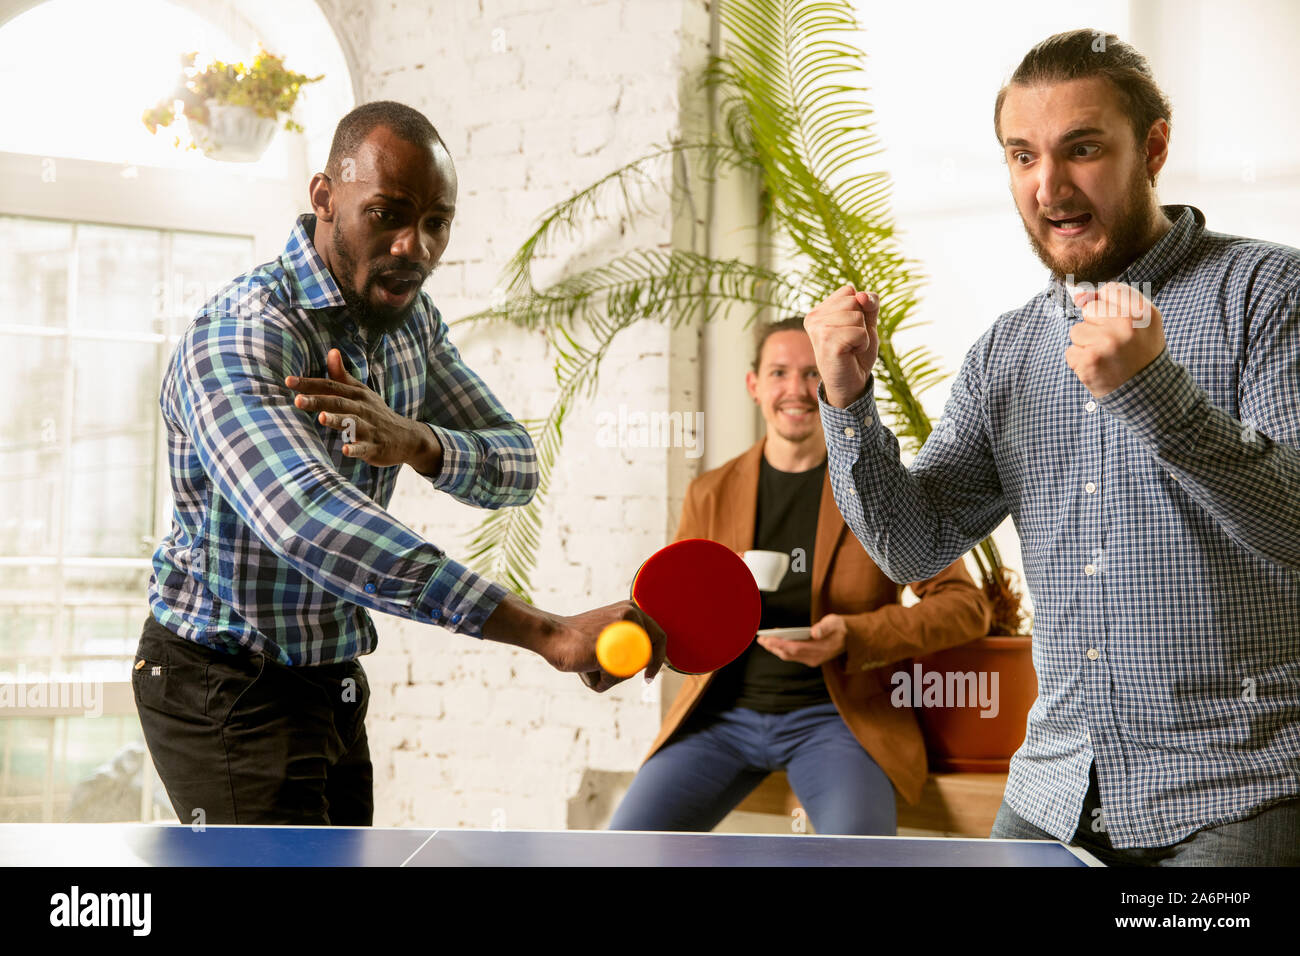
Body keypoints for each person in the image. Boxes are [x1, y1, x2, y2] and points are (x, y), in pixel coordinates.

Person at [804, 29, 1300, 865]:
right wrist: (848, 402)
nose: (1049, 186)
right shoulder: (1008, 353)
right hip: (1054, 791)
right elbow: (915, 543)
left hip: (1236, 791)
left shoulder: (1269, 293)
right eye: (1021, 156)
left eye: (1082, 149)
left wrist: (1154, 394)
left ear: (1154, 147)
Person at [135, 101, 664, 827]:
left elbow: (516, 466)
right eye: (387, 213)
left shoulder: (409, 323)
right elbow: (310, 524)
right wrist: (546, 632)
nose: (414, 246)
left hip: (330, 673)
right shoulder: (244, 335)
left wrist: (418, 441)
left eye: (436, 223)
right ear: (325, 197)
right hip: (222, 679)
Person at [608, 318, 990, 834]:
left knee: (859, 859)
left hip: (837, 720)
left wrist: (851, 636)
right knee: (626, 845)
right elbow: (678, 610)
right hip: (720, 717)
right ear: (755, 386)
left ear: (832, 382)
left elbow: (965, 607)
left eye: (812, 373)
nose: (795, 389)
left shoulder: (881, 491)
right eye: (779, 372)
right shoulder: (710, 492)